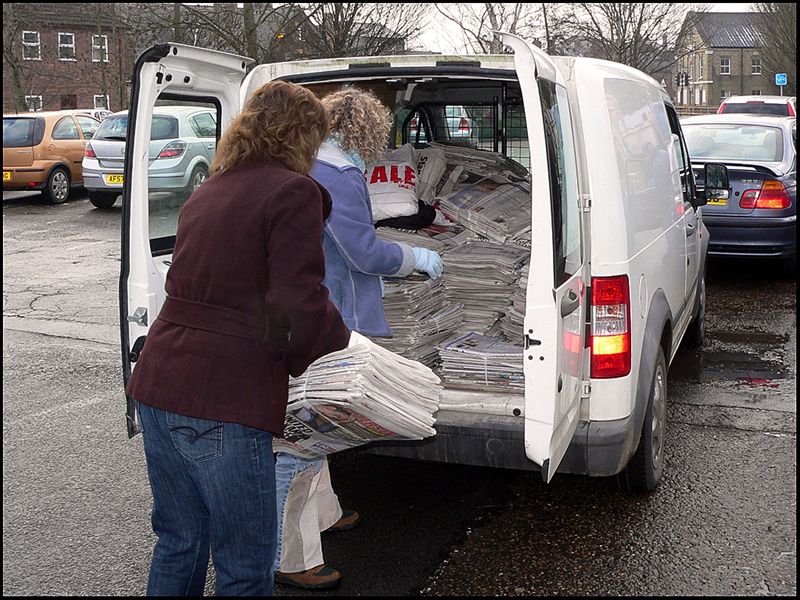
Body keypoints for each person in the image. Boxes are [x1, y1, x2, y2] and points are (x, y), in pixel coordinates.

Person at [126, 80, 351, 596]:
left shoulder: (209, 189)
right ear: (303, 137)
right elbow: (298, 298)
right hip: (222, 398)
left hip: (158, 386)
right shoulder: (292, 191)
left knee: (180, 542)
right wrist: (337, 350)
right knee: (244, 564)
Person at [272, 87, 444, 591]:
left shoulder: (307, 166)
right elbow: (363, 253)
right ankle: (289, 556)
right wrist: (414, 258)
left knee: (316, 418)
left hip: (307, 310)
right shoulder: (339, 175)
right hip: (330, 316)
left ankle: (325, 512)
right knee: (305, 435)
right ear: (363, 131)